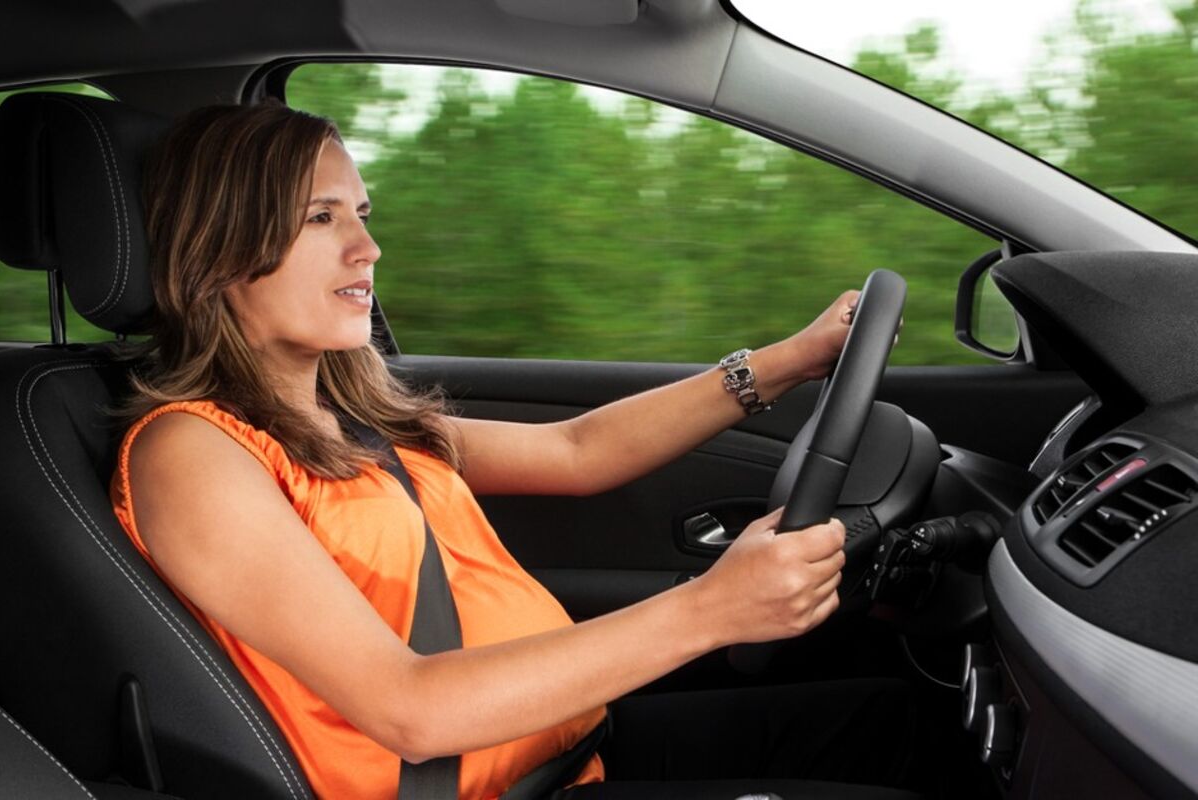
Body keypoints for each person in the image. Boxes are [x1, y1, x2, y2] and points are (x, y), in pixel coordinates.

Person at [110, 102, 918, 799]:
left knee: (898, 726)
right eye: (322, 218)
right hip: (475, 783)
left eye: (363, 213)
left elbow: (578, 450)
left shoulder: (351, 415)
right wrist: (711, 609)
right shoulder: (193, 452)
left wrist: (786, 361)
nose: (368, 250)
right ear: (219, 250)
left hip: (561, 753)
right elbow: (410, 710)